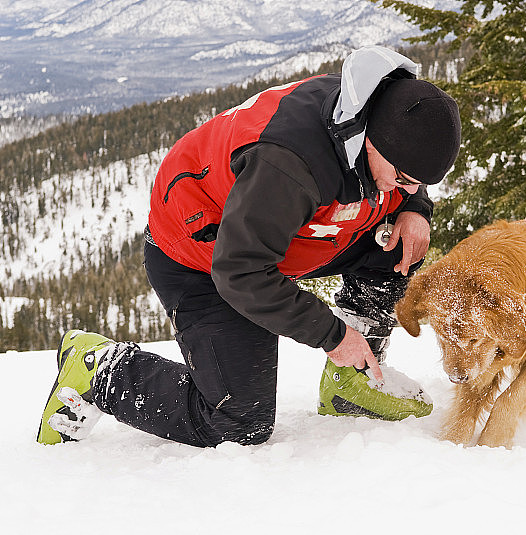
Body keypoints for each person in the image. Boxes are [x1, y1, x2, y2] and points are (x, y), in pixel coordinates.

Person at [36, 46, 461, 447]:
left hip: (284, 239)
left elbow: (407, 177)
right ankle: (99, 369)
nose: (408, 188)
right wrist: (332, 335)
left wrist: (415, 209)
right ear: (371, 141)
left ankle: (352, 381)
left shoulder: (382, 113)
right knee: (240, 421)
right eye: (403, 179)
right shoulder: (288, 165)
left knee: (399, 245)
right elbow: (242, 272)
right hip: (204, 259)